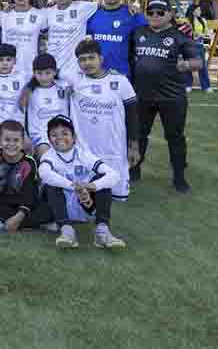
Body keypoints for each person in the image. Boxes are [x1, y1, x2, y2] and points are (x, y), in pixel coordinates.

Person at [130, 0, 201, 193]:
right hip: (142, 95)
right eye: (150, 12)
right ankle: (134, 170)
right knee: (138, 134)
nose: (154, 16)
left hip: (172, 96)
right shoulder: (138, 33)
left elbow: (198, 62)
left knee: (175, 137)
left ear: (170, 14)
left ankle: (179, 177)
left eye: (160, 12)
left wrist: (186, 65)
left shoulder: (180, 35)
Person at [63, 40, 139, 200]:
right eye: (82, 60)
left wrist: (134, 146)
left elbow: (133, 115)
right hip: (85, 150)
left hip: (114, 149)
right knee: (83, 196)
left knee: (113, 194)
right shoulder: (73, 80)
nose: (87, 63)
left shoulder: (120, 81)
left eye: (91, 58)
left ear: (101, 59)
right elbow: (45, 72)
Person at [39, 115, 125, 250]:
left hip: (84, 204)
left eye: (65, 133)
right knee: (50, 183)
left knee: (102, 180)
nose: (60, 138)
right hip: (58, 209)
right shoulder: (49, 156)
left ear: (74, 138)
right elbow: (44, 172)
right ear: (49, 140)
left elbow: (114, 175)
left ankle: (102, 231)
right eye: (54, 135)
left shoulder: (83, 154)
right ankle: (67, 231)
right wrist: (74, 186)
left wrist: (91, 186)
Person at [0, 120, 49, 234]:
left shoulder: (29, 162)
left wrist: (19, 217)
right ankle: (13, 223)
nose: (11, 144)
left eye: (16, 140)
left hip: (18, 205)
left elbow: (30, 194)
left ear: (22, 143)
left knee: (46, 210)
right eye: (7, 140)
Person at [86, 0, 147, 77]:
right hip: (96, 73)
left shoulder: (133, 15)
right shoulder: (92, 15)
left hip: (122, 73)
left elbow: (148, 38)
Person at [43, 0, 98, 73]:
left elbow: (108, 4)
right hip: (52, 67)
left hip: (75, 68)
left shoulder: (83, 7)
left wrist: (127, 6)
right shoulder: (47, 12)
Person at [0, 44, 28, 153]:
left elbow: (41, 77)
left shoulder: (23, 77)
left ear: (15, 61)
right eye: (1, 60)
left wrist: (28, 91)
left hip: (15, 134)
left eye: (9, 59)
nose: (5, 63)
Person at [0, 0, 47, 75]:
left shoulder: (40, 16)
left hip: (31, 68)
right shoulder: (3, 15)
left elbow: (44, 42)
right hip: (7, 69)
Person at [25, 53, 70, 160]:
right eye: (39, 73)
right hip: (40, 137)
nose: (44, 77)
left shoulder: (64, 86)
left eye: (48, 73)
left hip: (64, 134)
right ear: (34, 73)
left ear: (55, 71)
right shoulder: (29, 90)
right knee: (47, 157)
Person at [182, 5, 212, 93]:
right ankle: (187, 85)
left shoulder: (203, 20)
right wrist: (191, 34)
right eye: (198, 10)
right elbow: (182, 33)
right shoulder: (186, 21)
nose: (200, 11)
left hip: (200, 45)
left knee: (202, 66)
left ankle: (206, 86)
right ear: (193, 11)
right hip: (188, 46)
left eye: (200, 9)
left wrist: (201, 35)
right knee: (187, 66)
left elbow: (207, 33)